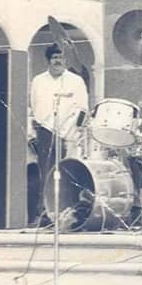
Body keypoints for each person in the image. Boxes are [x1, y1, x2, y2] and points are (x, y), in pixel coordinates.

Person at [29, 44, 89, 182]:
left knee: (65, 170)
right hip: (45, 131)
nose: (58, 61)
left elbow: (83, 109)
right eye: (55, 57)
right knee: (45, 169)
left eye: (61, 57)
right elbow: (34, 104)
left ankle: (63, 201)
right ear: (48, 60)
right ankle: (44, 202)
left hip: (69, 133)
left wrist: (70, 131)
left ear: (66, 61)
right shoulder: (38, 80)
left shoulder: (76, 81)